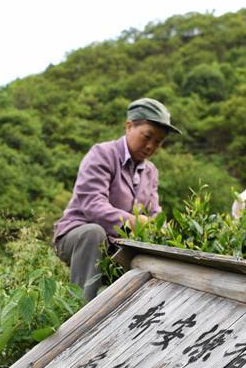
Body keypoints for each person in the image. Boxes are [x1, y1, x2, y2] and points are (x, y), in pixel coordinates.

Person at [53, 98, 181, 300]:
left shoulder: (150, 171)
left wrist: (164, 231)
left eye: (158, 141)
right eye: (147, 136)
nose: (151, 146)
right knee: (93, 233)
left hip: (118, 244)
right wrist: (134, 222)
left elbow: (154, 212)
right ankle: (81, 308)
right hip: (78, 235)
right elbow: (92, 205)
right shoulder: (102, 154)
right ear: (129, 126)